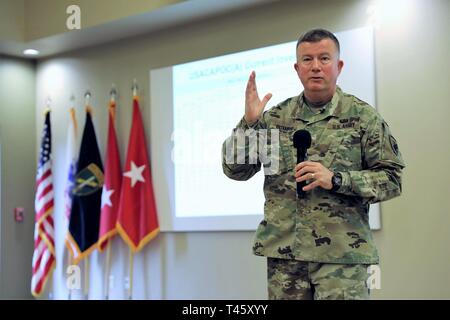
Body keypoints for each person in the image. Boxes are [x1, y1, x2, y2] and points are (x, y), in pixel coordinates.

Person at [222, 29, 405, 300]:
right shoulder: (275, 119)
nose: (316, 66)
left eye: (324, 58)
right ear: (297, 69)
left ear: (339, 66)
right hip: (286, 259)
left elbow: (392, 179)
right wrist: (249, 125)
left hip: (342, 260)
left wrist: (337, 179)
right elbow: (236, 170)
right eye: (307, 60)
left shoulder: (363, 118)